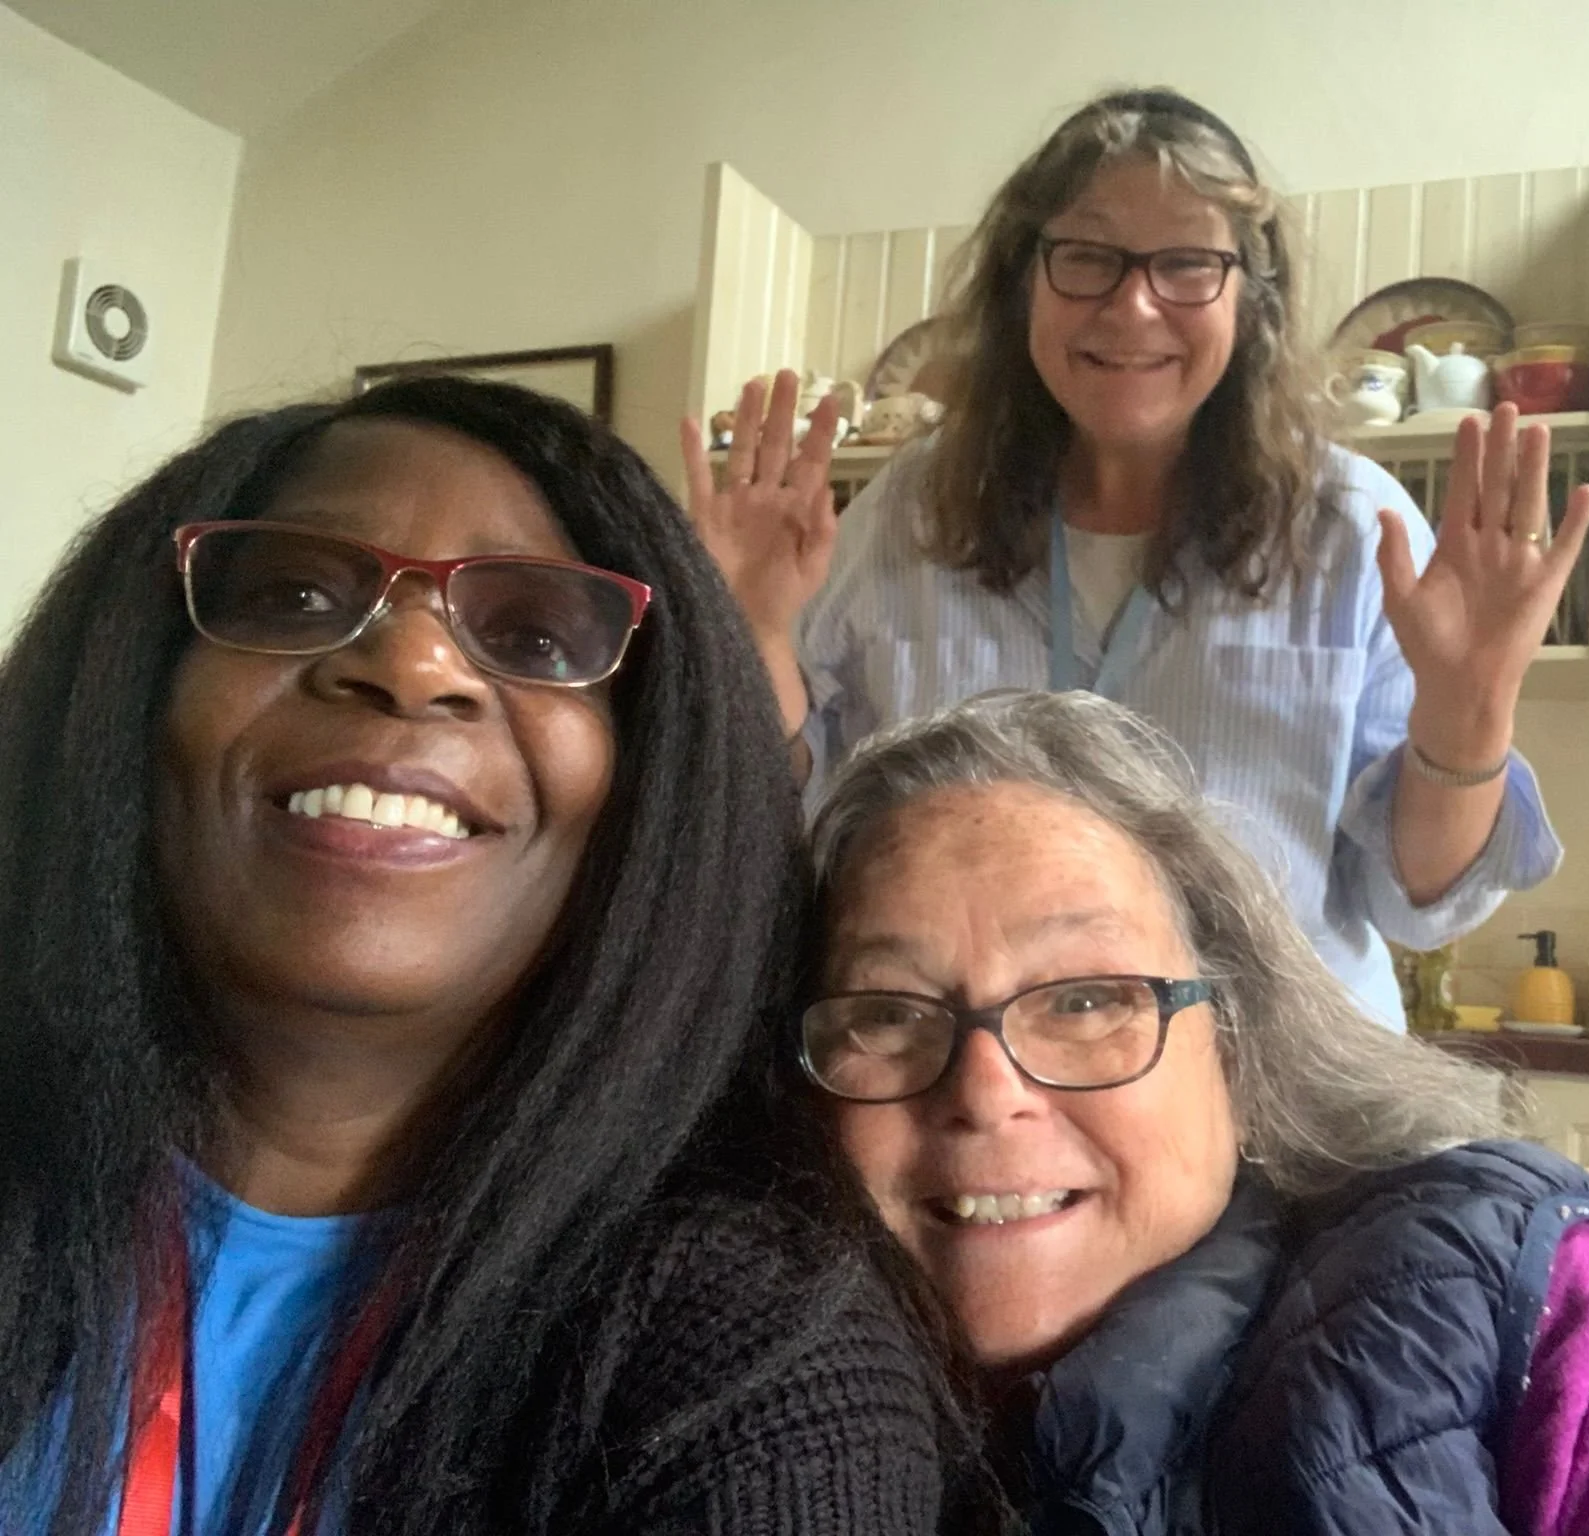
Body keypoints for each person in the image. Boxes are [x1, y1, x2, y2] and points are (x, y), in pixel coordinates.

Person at [0, 377, 971, 1535]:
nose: (414, 665)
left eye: (532, 637)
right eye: (299, 592)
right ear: (128, 687)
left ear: (648, 784)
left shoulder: (751, 1353)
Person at [794, 689, 1589, 1536]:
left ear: (1231, 1039)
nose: (985, 1093)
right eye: (887, 1015)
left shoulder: (1532, 1301)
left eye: (1087, 999)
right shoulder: (722, 1371)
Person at [683, 87, 1589, 1029]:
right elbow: (778, 836)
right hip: (971, 1074)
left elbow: (1422, 902)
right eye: (1086, 256)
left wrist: (1470, 702)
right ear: (1021, 283)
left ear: (1251, 298)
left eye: (1189, 263)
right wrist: (752, 635)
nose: (1134, 305)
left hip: (1283, 1116)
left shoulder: (1351, 527)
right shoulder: (904, 515)